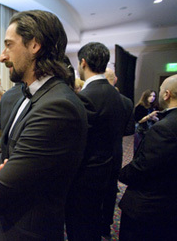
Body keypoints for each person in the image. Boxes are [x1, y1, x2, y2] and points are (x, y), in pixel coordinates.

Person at [0, 10, 88, 240]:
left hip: (27, 231)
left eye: (9, 45)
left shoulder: (57, 107)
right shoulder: (26, 95)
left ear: (34, 45)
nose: (2, 56)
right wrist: (1, 160)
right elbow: (1, 146)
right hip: (10, 222)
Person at [65, 42, 126, 241]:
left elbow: (75, 141)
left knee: (80, 226)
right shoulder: (117, 96)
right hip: (107, 170)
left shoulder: (87, 97)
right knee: (93, 223)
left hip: (85, 176)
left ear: (83, 63)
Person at [118, 74, 177, 241]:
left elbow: (143, 167)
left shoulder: (164, 129)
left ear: (166, 94)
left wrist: (121, 173)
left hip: (151, 207)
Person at [100, 68, 135, 238]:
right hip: (116, 150)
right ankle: (106, 224)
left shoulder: (93, 98)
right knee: (111, 188)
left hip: (95, 150)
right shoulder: (127, 102)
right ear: (115, 80)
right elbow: (129, 130)